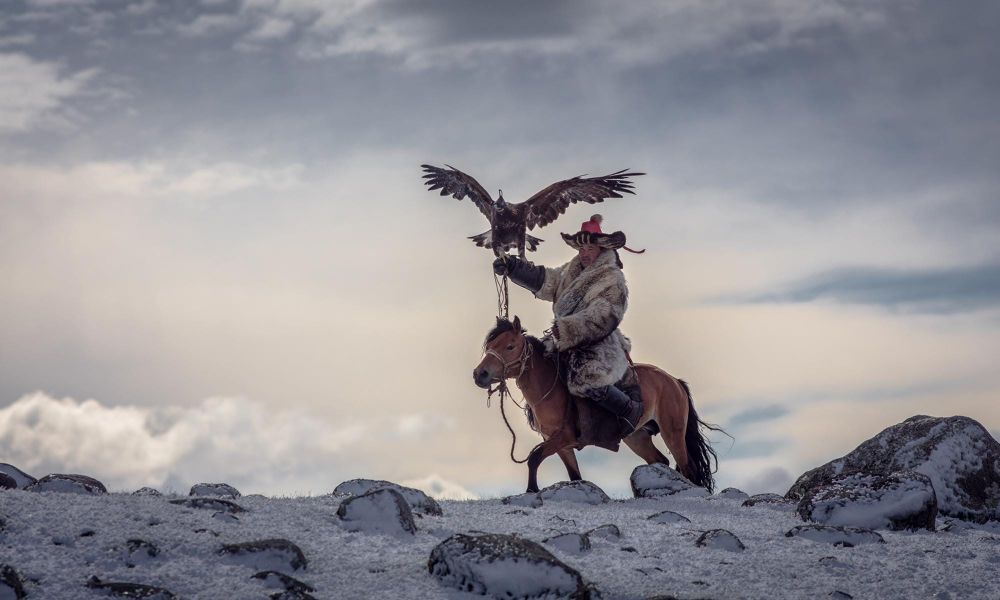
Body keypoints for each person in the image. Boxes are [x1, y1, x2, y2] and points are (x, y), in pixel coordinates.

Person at [493, 214, 644, 438]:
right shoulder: (570, 271)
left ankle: (629, 410)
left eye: (589, 249)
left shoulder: (612, 278)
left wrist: (567, 328)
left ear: (601, 249)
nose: (583, 254)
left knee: (586, 378)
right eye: (580, 250)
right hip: (562, 337)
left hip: (598, 343)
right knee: (537, 364)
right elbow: (548, 281)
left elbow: (606, 315)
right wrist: (514, 268)